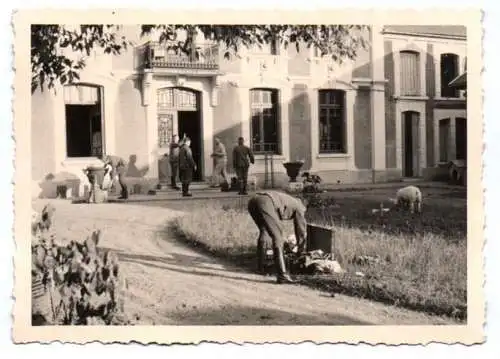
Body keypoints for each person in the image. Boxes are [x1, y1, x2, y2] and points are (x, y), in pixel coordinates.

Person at [247, 190, 308, 284]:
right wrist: (301, 250)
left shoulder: (290, 200)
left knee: (265, 231)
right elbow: (301, 230)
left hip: (253, 200)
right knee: (278, 236)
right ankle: (282, 275)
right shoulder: (300, 207)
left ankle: (261, 267)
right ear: (305, 204)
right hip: (266, 202)